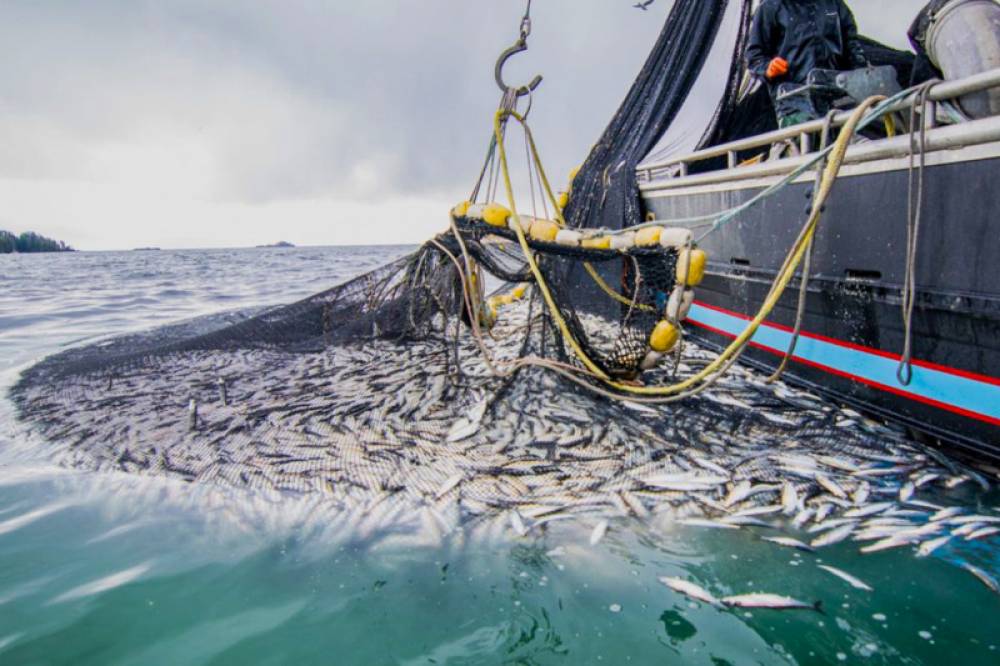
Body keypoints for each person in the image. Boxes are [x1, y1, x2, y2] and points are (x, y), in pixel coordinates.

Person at [746, 0, 868, 127]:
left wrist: (865, 76)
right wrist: (768, 68)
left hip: (838, 98)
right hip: (793, 104)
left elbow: (853, 49)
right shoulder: (769, 8)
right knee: (803, 141)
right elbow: (754, 57)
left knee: (852, 141)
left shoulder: (836, 5)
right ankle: (785, 146)